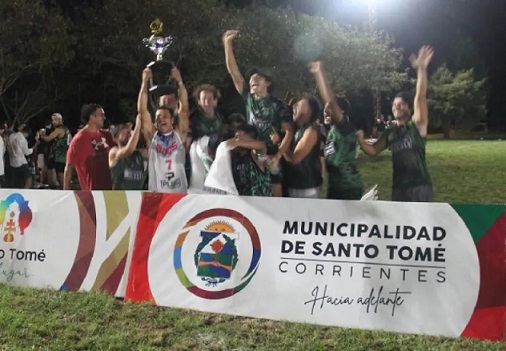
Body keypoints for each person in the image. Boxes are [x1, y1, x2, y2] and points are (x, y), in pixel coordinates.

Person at [357, 45, 434, 202]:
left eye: (400, 104)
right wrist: (360, 140)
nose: (396, 108)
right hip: (398, 188)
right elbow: (373, 150)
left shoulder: (416, 126)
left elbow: (420, 97)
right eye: (394, 105)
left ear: (409, 108)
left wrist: (421, 69)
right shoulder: (391, 132)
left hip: (418, 186)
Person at [223, 30, 293, 197]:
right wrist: (227, 44)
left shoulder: (278, 105)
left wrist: (278, 155)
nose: (254, 79)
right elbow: (234, 73)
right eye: (252, 77)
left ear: (267, 82)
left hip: (271, 158)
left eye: (259, 77)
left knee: (275, 200)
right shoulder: (249, 98)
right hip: (252, 156)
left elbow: (289, 132)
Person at [309, 61, 363, 200]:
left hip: (348, 189)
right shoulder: (332, 131)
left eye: (329, 109)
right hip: (334, 187)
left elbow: (331, 102)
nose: (325, 112)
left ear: (341, 112)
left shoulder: (345, 128)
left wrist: (320, 74)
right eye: (325, 109)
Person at [139, 67, 190, 193]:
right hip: (158, 195)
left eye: (165, 116)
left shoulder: (179, 134)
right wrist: (144, 82)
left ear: (172, 120)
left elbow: (184, 109)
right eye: (158, 117)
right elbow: (142, 111)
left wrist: (179, 81)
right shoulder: (152, 136)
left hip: (179, 194)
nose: (162, 119)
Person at [204, 125, 271, 196]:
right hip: (241, 203)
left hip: (262, 202)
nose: (237, 139)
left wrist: (237, 142)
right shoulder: (231, 157)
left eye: (241, 136)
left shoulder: (256, 155)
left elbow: (261, 146)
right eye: (236, 137)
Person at [279, 95, 322, 198]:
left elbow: (294, 159)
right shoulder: (295, 129)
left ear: (308, 110)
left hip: (306, 187)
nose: (294, 106)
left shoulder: (310, 131)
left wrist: (279, 143)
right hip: (292, 184)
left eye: (298, 105)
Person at [64, 104, 114, 190]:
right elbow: (69, 168)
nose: (104, 118)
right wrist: (66, 196)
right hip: (92, 195)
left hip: (110, 193)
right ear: (92, 117)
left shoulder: (107, 136)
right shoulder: (79, 140)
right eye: (101, 115)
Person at [188, 84, 224, 191]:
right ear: (199, 102)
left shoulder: (221, 117)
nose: (207, 102)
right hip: (199, 160)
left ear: (215, 101)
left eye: (209, 99)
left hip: (217, 158)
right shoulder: (193, 119)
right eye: (203, 99)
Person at [109, 114, 147, 190]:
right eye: (123, 128)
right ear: (115, 138)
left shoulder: (139, 153)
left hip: (138, 198)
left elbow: (154, 153)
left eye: (129, 129)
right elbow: (129, 150)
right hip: (120, 198)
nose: (128, 131)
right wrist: (138, 126)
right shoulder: (114, 152)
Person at [40, 113, 71, 189]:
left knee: (61, 179)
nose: (53, 122)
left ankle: (65, 194)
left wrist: (42, 134)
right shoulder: (66, 129)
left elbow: (48, 138)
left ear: (60, 120)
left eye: (55, 120)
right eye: (52, 120)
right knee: (63, 178)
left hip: (61, 157)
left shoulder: (58, 130)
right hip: (66, 156)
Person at [8, 123, 39, 189]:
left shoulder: (11, 136)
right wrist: (34, 147)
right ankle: (25, 192)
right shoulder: (22, 139)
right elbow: (27, 152)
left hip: (12, 162)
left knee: (17, 181)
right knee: (29, 179)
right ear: (26, 133)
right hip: (21, 162)